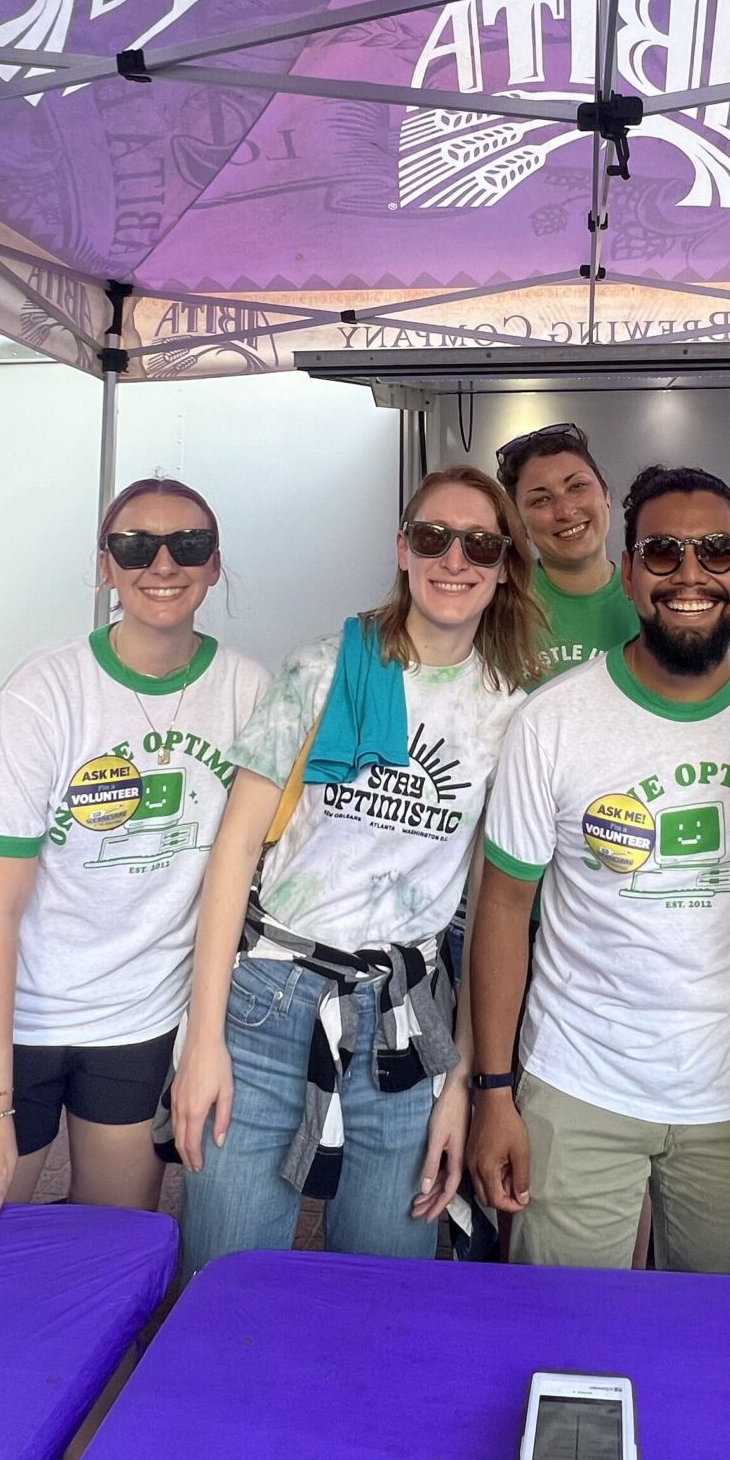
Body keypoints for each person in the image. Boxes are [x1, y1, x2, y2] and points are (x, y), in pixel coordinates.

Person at [170, 466, 542, 1277]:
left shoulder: (513, 710)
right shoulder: (322, 669)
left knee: (384, 1296)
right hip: (268, 1005)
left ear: (505, 563)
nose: (455, 559)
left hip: (406, 1024)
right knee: (223, 1286)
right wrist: (202, 1044)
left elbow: (489, 910)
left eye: (480, 543)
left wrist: (463, 1086)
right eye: (433, 537)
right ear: (403, 549)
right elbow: (235, 852)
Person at [468, 465, 730, 1274]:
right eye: (663, 553)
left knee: (710, 1337)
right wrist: (495, 1090)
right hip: (577, 1083)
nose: (690, 574)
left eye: (715, 550)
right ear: (630, 574)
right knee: (562, 1333)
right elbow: (502, 909)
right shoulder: (553, 720)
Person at [0, 479, 269, 1237]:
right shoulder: (46, 692)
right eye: (135, 546)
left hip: (136, 1018)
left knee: (108, 1255)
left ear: (214, 567)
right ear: (105, 566)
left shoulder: (247, 689)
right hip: (8, 1014)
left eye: (188, 546)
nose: (161, 564)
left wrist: (205, 1039)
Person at [496, 421, 639, 679]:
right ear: (518, 522)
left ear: (605, 493)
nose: (565, 511)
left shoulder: (651, 599)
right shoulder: (497, 606)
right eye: (541, 500)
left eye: (577, 486)